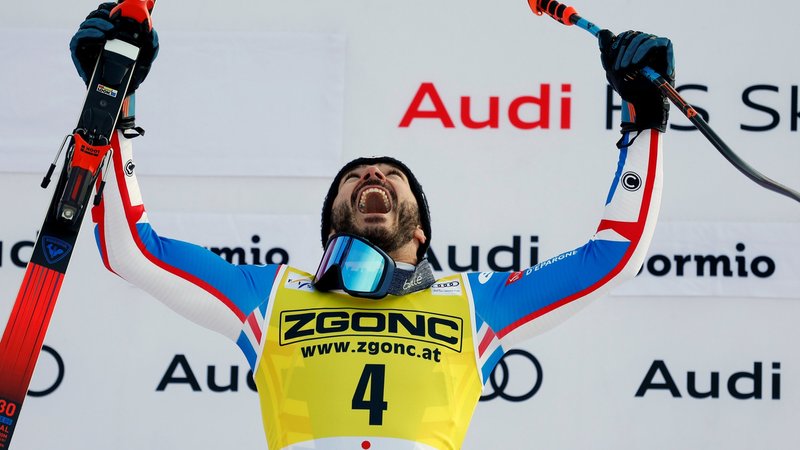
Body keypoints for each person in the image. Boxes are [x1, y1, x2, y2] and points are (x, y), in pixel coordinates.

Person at [71, 3, 673, 449]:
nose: (370, 178)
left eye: (390, 174)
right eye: (353, 178)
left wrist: (645, 121)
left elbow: (613, 255)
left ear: (422, 233)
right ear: (330, 226)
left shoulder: (475, 304)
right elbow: (133, 250)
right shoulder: (273, 295)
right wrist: (112, 106)